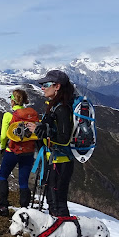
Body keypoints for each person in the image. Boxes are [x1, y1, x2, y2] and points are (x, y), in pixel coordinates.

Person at [26, 70, 75, 217]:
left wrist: (43, 131)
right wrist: (39, 129)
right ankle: (62, 234)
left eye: (46, 84)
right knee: (53, 200)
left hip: (61, 162)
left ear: (57, 86)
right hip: (56, 160)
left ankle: (67, 236)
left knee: (57, 202)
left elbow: (64, 138)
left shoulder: (62, 108)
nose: (42, 88)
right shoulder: (57, 106)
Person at [0, 89, 38, 216]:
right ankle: (24, 210)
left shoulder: (9, 115)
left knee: (3, 176)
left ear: (13, 100)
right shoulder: (32, 114)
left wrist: (2, 147)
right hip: (29, 152)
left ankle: (3, 206)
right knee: (24, 181)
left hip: (12, 151)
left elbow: (4, 136)